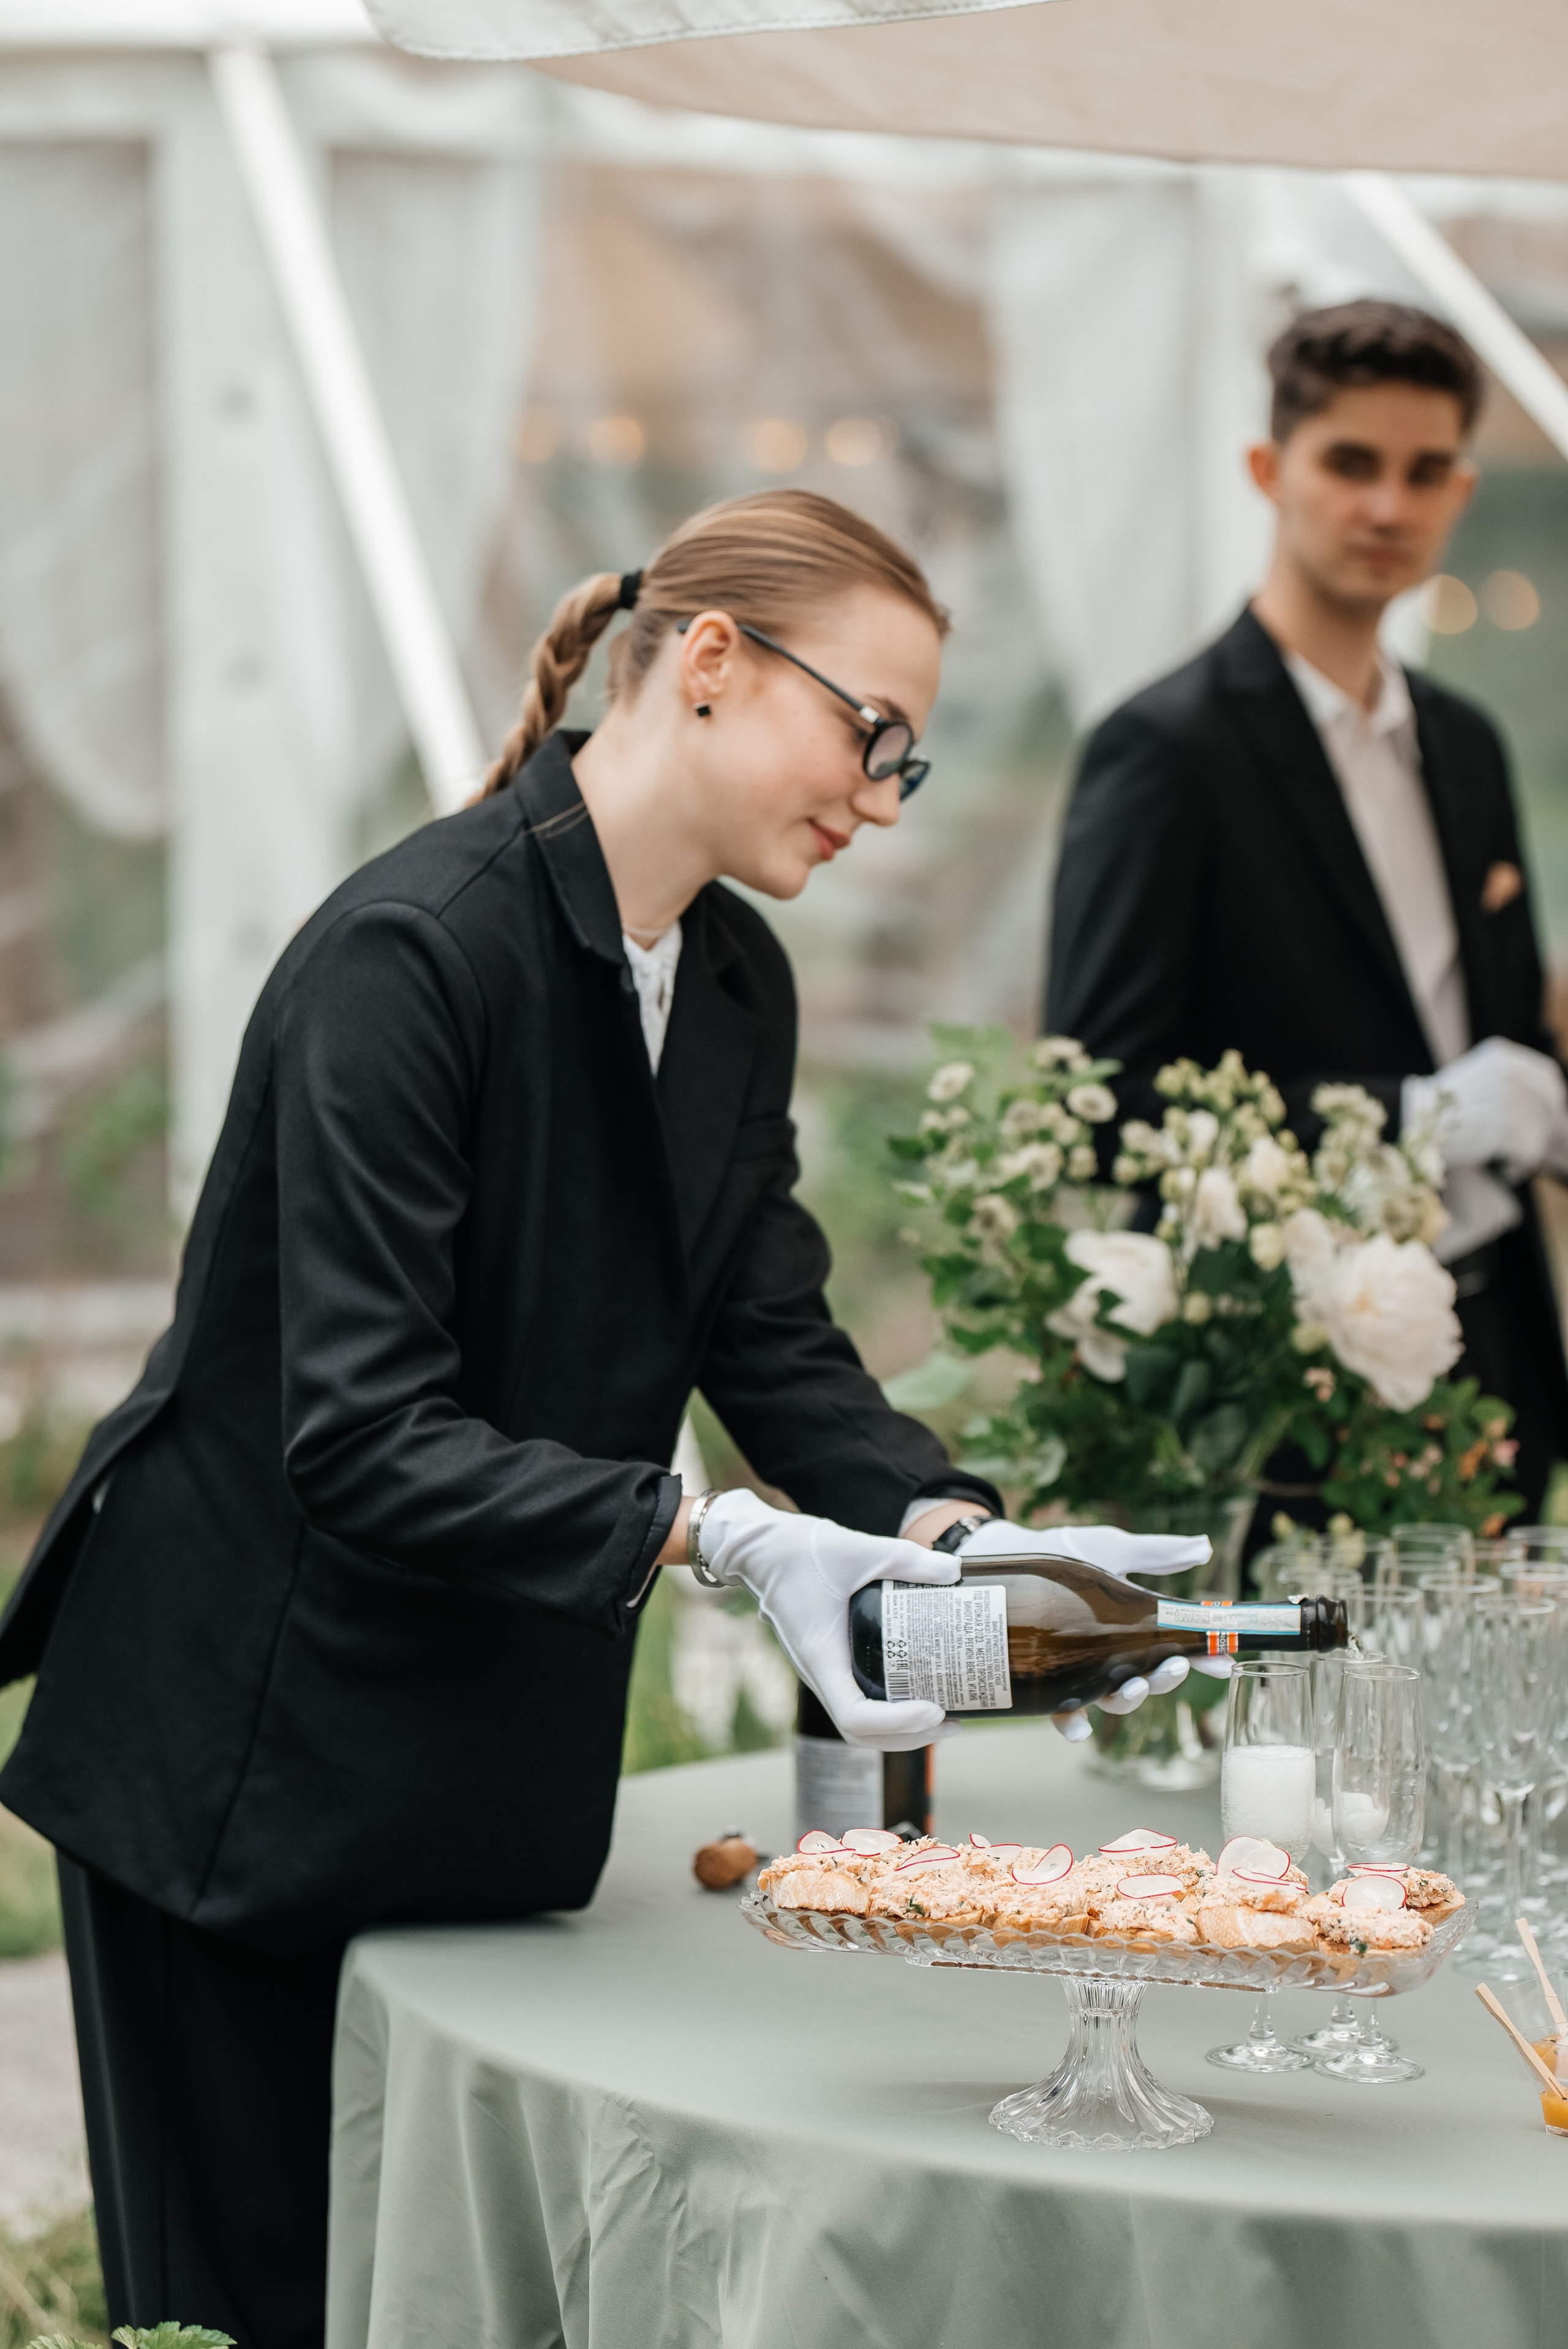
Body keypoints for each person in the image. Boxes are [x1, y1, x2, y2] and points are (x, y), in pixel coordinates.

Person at [0, 490, 1195, 2349]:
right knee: (247, 2312)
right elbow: (361, 1433)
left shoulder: (732, 977)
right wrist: (716, 1530)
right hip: (236, 1757)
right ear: (710, 665)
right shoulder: (413, 953)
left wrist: (969, 1535)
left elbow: (768, 1329)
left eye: (911, 760)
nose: (884, 801)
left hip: (474, 1772)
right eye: (867, 735)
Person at [1047, 300, 1568, 1517]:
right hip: (1273, 1387)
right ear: (1267, 470)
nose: (1386, 506)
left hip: (1493, 1356)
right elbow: (1101, 1102)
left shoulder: (1466, 744)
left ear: (1457, 487)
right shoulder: (1161, 750)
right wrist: (1414, 1116)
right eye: (1349, 464)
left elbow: (1497, 1041)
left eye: (1422, 470)